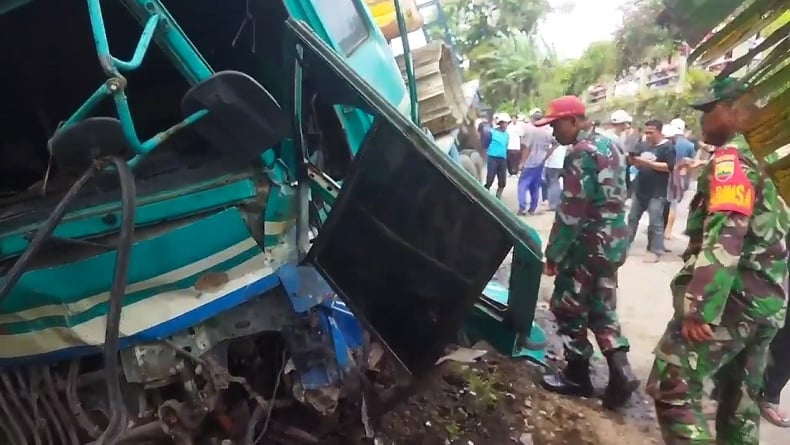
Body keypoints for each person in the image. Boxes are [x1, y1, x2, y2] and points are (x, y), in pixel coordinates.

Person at [645, 77, 790, 445]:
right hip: (769, 300)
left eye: (710, 111)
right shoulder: (770, 155)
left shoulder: (734, 159)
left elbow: (728, 231)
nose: (703, 121)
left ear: (738, 107)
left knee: (672, 386)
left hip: (734, 300)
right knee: (739, 406)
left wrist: (700, 307)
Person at [535, 96, 638, 410]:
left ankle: (578, 375)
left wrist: (554, 253)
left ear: (574, 121)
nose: (553, 132)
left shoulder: (581, 153)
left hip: (589, 241)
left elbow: (571, 211)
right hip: (615, 239)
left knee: (568, 305)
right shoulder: (612, 146)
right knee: (601, 305)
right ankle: (621, 371)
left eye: (556, 125)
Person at [627, 119, 675, 262]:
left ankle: (655, 250)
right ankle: (624, 247)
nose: (648, 135)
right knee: (632, 219)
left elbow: (669, 167)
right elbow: (634, 161)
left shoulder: (667, 147)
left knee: (655, 222)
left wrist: (649, 163)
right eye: (646, 132)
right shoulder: (642, 145)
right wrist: (632, 159)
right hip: (640, 188)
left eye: (651, 132)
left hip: (657, 191)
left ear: (659, 132)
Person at [664, 119, 697, 239]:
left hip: (665, 174)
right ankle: (668, 231)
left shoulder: (667, 141)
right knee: (673, 204)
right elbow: (691, 164)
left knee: (663, 202)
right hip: (680, 177)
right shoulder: (689, 145)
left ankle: (659, 228)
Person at [517, 109, 554, 215]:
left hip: (529, 162)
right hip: (540, 162)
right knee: (535, 186)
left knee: (522, 184)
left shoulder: (530, 131)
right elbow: (555, 144)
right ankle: (532, 208)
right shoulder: (548, 132)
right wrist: (546, 156)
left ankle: (522, 207)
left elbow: (526, 148)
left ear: (533, 118)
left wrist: (522, 162)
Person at [484, 113, 510, 198]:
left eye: (506, 123)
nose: (504, 125)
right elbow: (486, 144)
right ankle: (485, 194)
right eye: (503, 122)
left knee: (502, 181)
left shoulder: (507, 135)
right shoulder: (491, 132)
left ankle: (498, 197)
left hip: (502, 159)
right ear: (500, 123)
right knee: (490, 178)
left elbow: (505, 146)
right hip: (492, 157)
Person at [542, 142, 567, 211]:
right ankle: (557, 202)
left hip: (552, 164)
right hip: (560, 163)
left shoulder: (556, 138)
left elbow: (551, 149)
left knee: (553, 184)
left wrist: (543, 159)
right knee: (555, 183)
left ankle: (553, 204)